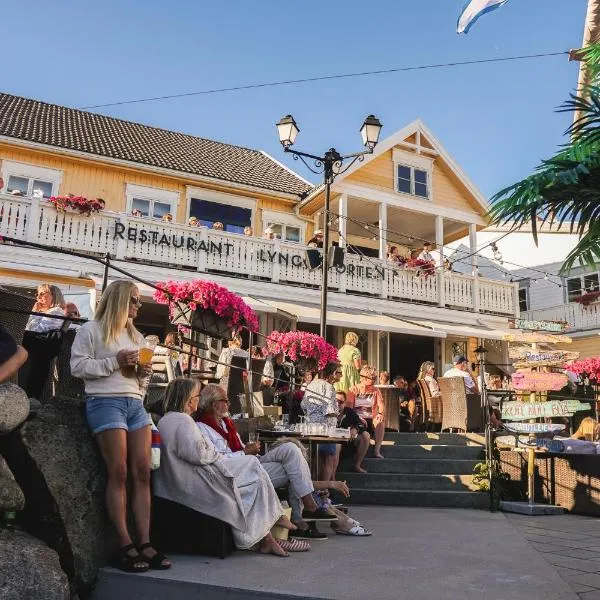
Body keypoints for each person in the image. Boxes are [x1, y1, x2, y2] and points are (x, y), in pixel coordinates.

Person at [70, 280, 170, 572]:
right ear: (119, 300)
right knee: (119, 471)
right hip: (104, 401)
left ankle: (145, 541)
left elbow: (139, 382)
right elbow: (77, 367)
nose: (139, 306)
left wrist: (142, 374)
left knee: (142, 471)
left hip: (134, 404)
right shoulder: (91, 330)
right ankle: (124, 543)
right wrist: (114, 361)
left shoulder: (136, 336)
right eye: (135, 300)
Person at [155, 378, 295, 556]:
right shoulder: (183, 421)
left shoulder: (170, 420)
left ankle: (267, 535)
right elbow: (199, 454)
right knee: (252, 467)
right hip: (197, 480)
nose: (199, 400)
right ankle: (271, 524)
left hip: (191, 476)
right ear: (189, 400)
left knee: (253, 473)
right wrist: (213, 451)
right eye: (197, 396)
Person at [195, 384, 333, 520]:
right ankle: (304, 513)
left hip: (252, 461)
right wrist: (244, 452)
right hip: (238, 471)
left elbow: (238, 446)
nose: (229, 403)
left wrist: (247, 448)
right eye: (225, 400)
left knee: (291, 448)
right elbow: (217, 460)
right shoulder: (202, 428)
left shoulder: (226, 423)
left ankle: (306, 507)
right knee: (293, 469)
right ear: (214, 405)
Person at [302, 362, 342, 481]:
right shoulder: (329, 387)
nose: (341, 376)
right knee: (329, 458)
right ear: (332, 374)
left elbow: (303, 405)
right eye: (339, 373)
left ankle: (315, 489)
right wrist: (337, 413)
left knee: (314, 459)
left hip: (310, 427)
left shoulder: (311, 384)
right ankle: (323, 491)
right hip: (326, 429)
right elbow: (330, 410)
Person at [347, 365, 385, 459]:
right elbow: (349, 409)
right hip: (358, 419)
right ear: (364, 378)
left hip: (371, 419)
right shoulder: (354, 389)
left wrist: (380, 414)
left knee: (380, 421)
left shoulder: (376, 390)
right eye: (373, 378)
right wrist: (357, 418)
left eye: (375, 378)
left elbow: (381, 406)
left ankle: (376, 450)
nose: (374, 380)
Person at [335, 390, 370, 474]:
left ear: (345, 403)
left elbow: (361, 424)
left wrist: (355, 429)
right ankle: (332, 476)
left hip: (347, 442)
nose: (337, 404)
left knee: (366, 435)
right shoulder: (326, 411)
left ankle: (357, 465)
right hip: (331, 442)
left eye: (340, 402)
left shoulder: (349, 411)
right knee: (336, 446)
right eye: (335, 401)